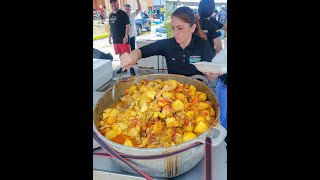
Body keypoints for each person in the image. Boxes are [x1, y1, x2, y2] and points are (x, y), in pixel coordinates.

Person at [120, 6, 215, 78]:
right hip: (172, 93)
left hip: (197, 93)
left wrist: (212, 74)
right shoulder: (168, 45)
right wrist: (132, 56)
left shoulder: (203, 45)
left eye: (180, 28)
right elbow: (141, 51)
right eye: (173, 28)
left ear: (192, 28)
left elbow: (211, 74)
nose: (175, 33)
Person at [108, 0, 130, 73]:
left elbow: (127, 26)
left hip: (123, 38)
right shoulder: (110, 15)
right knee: (120, 54)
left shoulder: (123, 13)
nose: (113, 4)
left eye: (114, 3)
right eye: (112, 3)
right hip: (115, 39)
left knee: (126, 54)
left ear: (118, 4)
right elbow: (111, 27)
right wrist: (109, 37)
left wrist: (126, 36)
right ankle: (123, 67)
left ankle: (131, 67)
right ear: (110, 5)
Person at [123, 0, 142, 76]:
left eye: (128, 9)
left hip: (132, 36)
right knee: (125, 52)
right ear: (124, 10)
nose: (127, 10)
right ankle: (125, 67)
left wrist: (137, 1)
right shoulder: (122, 16)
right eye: (126, 9)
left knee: (133, 51)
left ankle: (132, 66)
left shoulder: (133, 15)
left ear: (130, 10)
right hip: (125, 37)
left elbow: (139, 9)